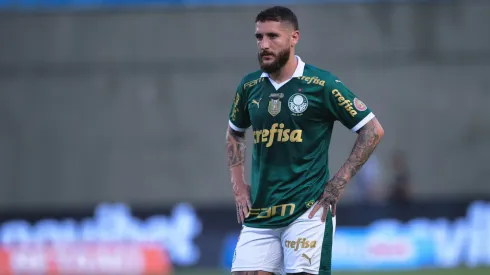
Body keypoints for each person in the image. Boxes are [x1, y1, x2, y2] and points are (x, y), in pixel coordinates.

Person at [225, 6, 384, 275]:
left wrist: (338, 183)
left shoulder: (322, 84)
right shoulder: (249, 86)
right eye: (259, 37)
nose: (264, 45)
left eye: (273, 36)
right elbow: (234, 132)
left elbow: (372, 130)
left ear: (294, 37)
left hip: (307, 213)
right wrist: (239, 187)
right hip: (261, 213)